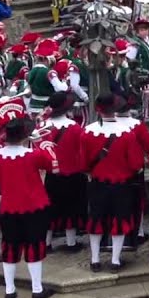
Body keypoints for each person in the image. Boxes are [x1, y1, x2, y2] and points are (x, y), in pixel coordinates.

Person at [0, 118, 57, 298]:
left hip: (9, 208)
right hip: (35, 207)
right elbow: (51, 164)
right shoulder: (33, 155)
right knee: (34, 246)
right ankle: (37, 289)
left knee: (10, 247)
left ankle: (10, 289)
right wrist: (38, 142)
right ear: (25, 135)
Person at [82, 93, 149, 272]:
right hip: (122, 185)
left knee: (96, 220)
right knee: (119, 221)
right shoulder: (127, 133)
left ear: (98, 109)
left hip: (97, 184)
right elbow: (136, 164)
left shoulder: (88, 131)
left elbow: (82, 162)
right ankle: (115, 260)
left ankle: (95, 259)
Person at [39, 93, 86, 253]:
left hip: (51, 175)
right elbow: (80, 152)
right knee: (71, 208)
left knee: (51, 209)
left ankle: (46, 243)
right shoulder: (75, 128)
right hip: (73, 174)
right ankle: (71, 243)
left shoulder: (42, 127)